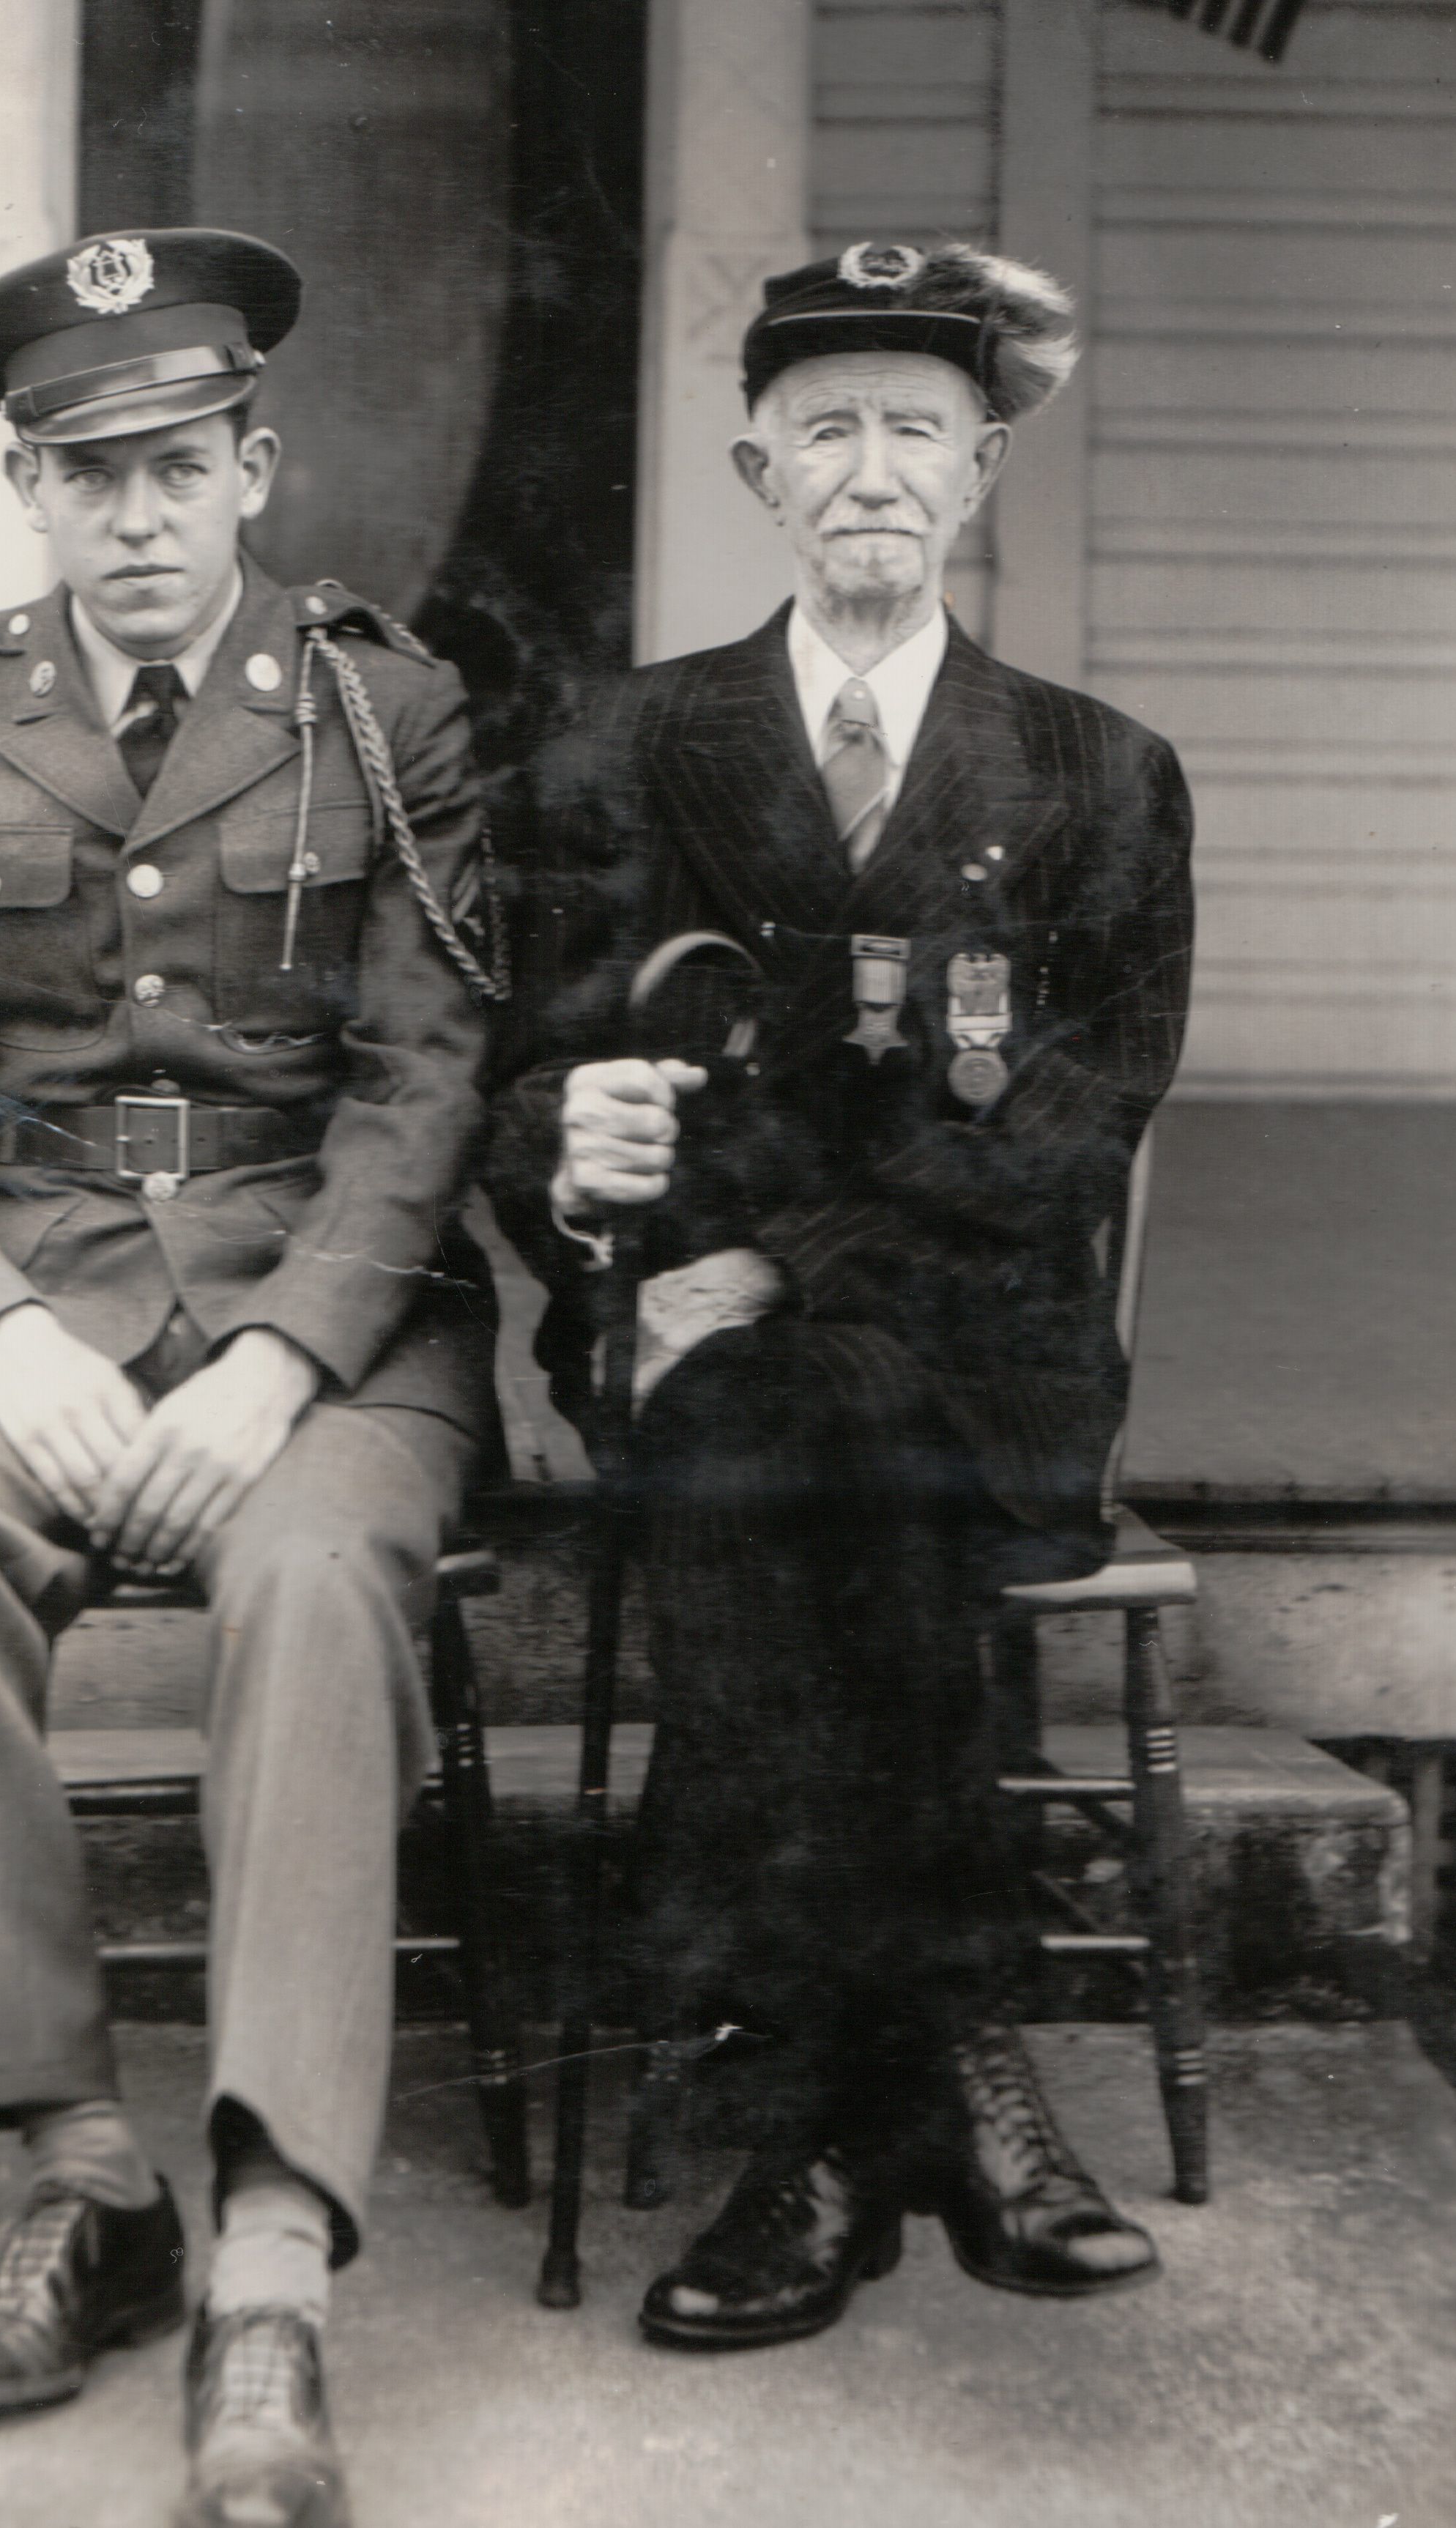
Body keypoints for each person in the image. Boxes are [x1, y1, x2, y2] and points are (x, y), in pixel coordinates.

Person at [0, 226, 503, 2528]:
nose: (138, 515)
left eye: (179, 466)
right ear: (30, 489)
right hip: (32, 1282)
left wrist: (283, 1357)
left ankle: (273, 2264)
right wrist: (0, 1331)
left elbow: (429, 1081)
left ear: (252, 471)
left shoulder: (387, 710)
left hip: (330, 1308)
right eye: (88, 474)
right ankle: (81, 2167)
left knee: (316, 1585)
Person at [488, 241, 1195, 2351]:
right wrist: (571, 1153)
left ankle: (807, 2107)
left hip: (980, 1351)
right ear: (757, 473)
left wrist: (777, 1258)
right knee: (800, 1425)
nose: (871, 470)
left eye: (913, 429)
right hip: (690, 1339)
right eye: (825, 432)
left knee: (822, 1418)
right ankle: (954, 2064)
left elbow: (1068, 1127)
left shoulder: (1098, 773)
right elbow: (524, 1074)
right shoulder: (618, 748)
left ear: (982, 471)